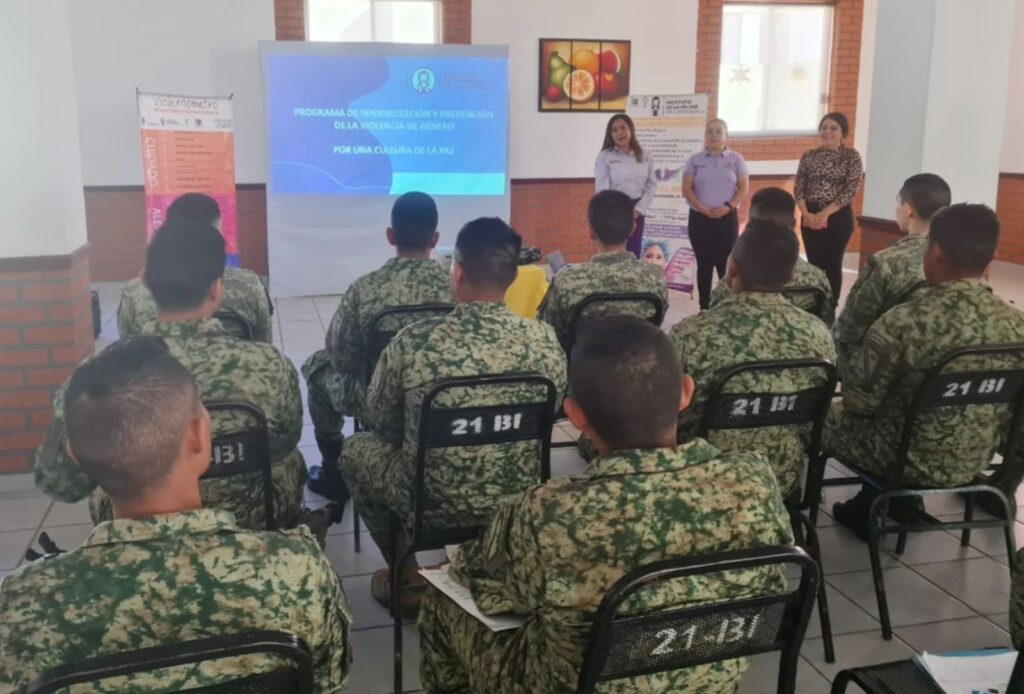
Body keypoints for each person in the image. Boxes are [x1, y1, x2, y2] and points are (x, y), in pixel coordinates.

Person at [417, 316, 794, 693]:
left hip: (573, 684)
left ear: (575, 416)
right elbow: (769, 590)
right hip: (710, 677)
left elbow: (477, 575)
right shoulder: (755, 482)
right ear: (686, 392)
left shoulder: (547, 514)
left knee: (441, 602)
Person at [1, 338, 350, 692]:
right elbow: (326, 685)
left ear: (76, 458)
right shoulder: (299, 572)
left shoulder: (21, 604)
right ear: (199, 438)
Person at [339, 218, 567, 610]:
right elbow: (553, 413)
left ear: (456, 272)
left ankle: (406, 572)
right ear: (513, 277)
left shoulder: (414, 343)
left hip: (429, 501)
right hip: (517, 497)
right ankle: (495, 557)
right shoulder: (544, 341)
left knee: (355, 451)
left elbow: (382, 423)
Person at [34, 219, 307, 531]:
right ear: (216, 289)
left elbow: (59, 484)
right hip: (252, 525)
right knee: (289, 460)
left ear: (145, 282)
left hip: (139, 533)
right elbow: (286, 439)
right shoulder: (270, 365)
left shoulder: (91, 384)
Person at [827, 204, 1024, 537]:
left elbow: (859, 403)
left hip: (898, 457)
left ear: (934, 253)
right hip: (976, 458)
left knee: (823, 417)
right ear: (990, 259)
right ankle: (904, 503)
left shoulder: (902, 323)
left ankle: (857, 506)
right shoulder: (1017, 326)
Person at [670, 218, 836, 498]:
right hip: (781, 478)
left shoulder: (691, 335)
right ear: (791, 277)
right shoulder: (818, 334)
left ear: (732, 269)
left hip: (703, 482)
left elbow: (666, 415)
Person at [301, 192, 451, 502]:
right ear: (435, 239)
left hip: (374, 399)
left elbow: (340, 357)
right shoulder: (455, 286)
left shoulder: (365, 289)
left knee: (317, 368)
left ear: (390, 235)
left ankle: (333, 471)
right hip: (442, 396)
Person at [834, 173, 951, 380]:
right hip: (944, 365)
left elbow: (851, 328)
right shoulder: (960, 260)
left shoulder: (885, 262)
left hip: (891, 370)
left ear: (908, 210)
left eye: (898, 202)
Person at [117, 192, 273, 343]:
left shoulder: (134, 292)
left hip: (153, 360)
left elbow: (127, 347)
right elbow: (263, 342)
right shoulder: (250, 285)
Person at [537, 190, 668, 348]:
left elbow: (546, 336)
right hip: (640, 362)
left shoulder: (567, 281)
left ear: (591, 231)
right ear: (633, 229)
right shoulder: (656, 278)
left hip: (582, 363)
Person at [709, 187, 834, 324]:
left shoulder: (732, 280)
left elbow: (713, 319)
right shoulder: (817, 280)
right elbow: (827, 324)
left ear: (750, 224)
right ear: (793, 224)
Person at [794, 112, 864, 303]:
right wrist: (806, 213)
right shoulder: (809, 156)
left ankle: (830, 307)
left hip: (837, 216)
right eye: (824, 128)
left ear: (843, 133)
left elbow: (850, 189)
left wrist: (825, 213)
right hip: (809, 215)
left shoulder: (851, 157)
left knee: (832, 264)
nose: (828, 132)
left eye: (834, 128)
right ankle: (814, 305)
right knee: (814, 264)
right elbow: (799, 187)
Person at [682, 118, 750, 310]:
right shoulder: (695, 160)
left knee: (725, 264)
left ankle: (725, 307)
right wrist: (702, 208)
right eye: (709, 131)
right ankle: (704, 308)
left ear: (726, 136)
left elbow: (743, 188)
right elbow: (687, 188)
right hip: (699, 219)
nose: (713, 135)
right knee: (704, 264)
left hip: (726, 219)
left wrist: (728, 207)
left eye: (718, 131)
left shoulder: (736, 159)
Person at [594, 114, 657, 258]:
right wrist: (615, 212)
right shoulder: (605, 156)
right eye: (614, 130)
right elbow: (602, 189)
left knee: (633, 254)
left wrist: (638, 210)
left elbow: (651, 185)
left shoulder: (646, 155)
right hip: (613, 210)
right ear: (610, 134)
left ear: (631, 129)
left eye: (623, 128)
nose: (619, 133)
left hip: (637, 210)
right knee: (613, 255)